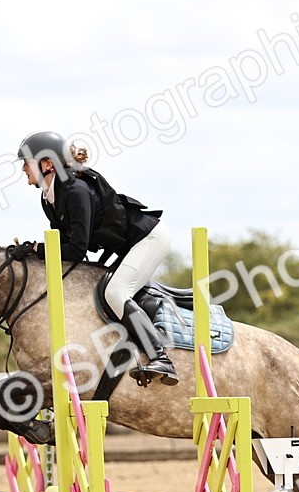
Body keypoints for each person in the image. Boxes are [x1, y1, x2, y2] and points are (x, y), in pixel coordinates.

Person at [13, 131, 178, 386]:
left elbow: (76, 250)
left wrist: (38, 249)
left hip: (148, 239)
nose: (23, 168)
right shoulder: (49, 198)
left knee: (116, 292)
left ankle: (161, 357)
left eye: (27, 162)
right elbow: (62, 248)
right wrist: (32, 255)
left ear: (47, 164)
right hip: (127, 247)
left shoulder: (76, 191)